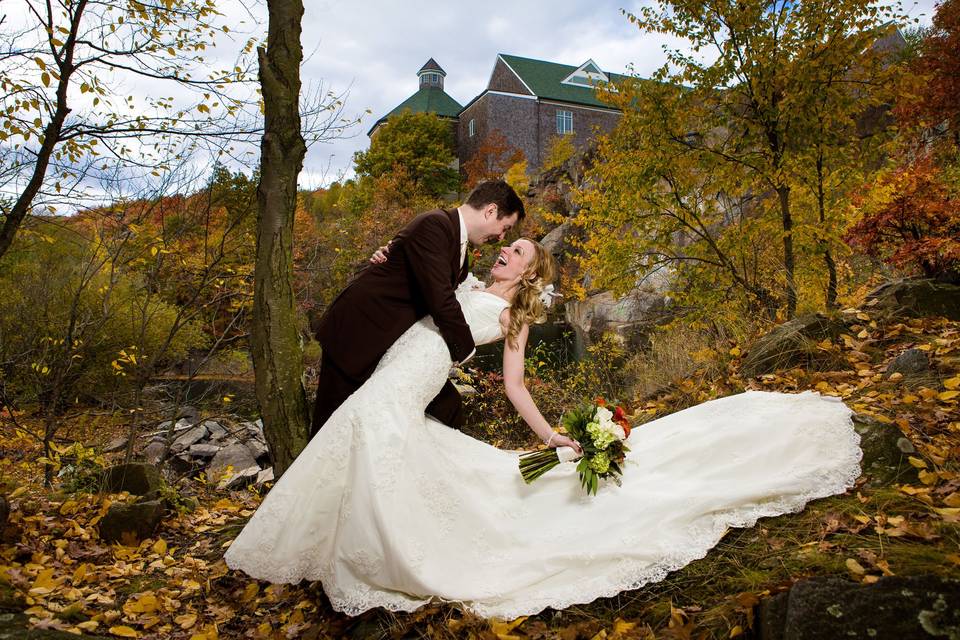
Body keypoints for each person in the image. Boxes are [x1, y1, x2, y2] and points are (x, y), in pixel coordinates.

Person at [225, 238, 861, 619]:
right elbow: (408, 292)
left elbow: (514, 383)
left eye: (518, 250)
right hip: (392, 381)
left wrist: (550, 435)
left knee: (384, 450)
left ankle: (380, 556)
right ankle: (344, 548)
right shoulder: (458, 280)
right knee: (370, 443)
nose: (506, 249)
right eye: (508, 244)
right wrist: (382, 261)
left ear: (529, 273)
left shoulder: (513, 314)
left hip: (404, 392)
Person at [310, 180, 524, 438]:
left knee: (449, 410)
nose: (501, 238)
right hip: (356, 335)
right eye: (504, 228)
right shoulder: (435, 224)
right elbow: (441, 300)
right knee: (330, 428)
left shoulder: (457, 244)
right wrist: (466, 351)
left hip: (389, 343)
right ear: (490, 211)